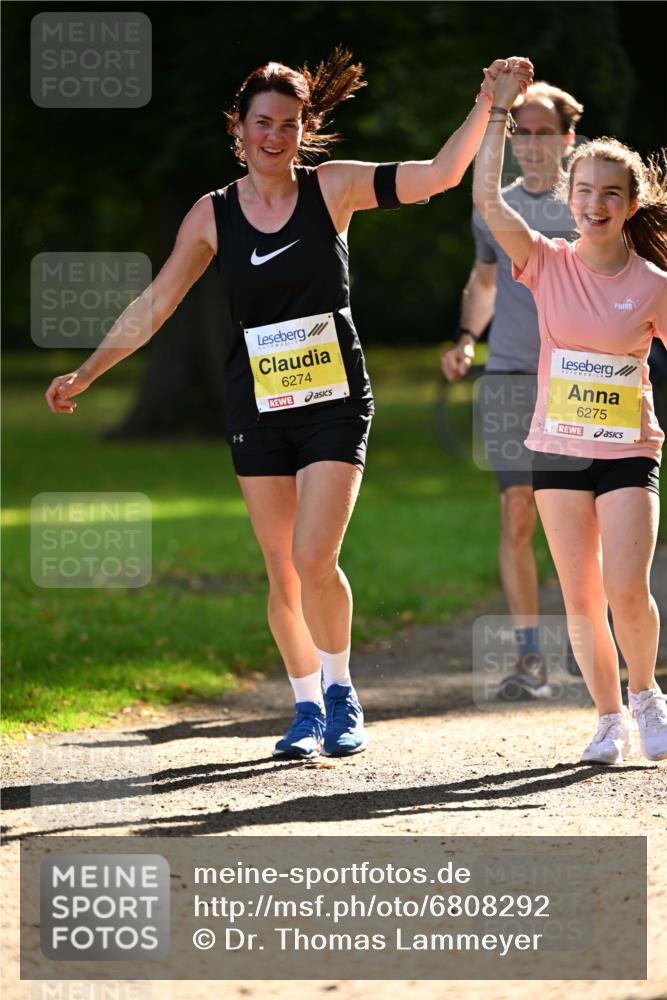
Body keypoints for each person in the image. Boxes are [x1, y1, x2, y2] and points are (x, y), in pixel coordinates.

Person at [44, 49, 532, 760]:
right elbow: (155, 304)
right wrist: (89, 371)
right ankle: (304, 706)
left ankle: (340, 691)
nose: (275, 136)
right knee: (281, 568)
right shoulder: (212, 214)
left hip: (335, 400)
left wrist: (490, 103)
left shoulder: (332, 188)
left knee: (313, 556)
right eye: (263, 123)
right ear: (238, 128)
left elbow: (439, 175)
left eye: (289, 124)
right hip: (257, 405)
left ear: (305, 130)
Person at [473, 58, 667, 763]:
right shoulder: (545, 260)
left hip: (626, 450)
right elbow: (488, 202)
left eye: (610, 193)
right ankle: (608, 719)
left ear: (630, 205)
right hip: (555, 448)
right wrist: (497, 111)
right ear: (569, 196)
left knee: (625, 587)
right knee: (580, 597)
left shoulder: (654, 284)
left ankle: (645, 695)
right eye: (584, 191)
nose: (594, 203)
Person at [441, 80, 583, 700]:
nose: (529, 142)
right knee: (516, 508)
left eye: (542, 131)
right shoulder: (491, 207)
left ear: (567, 138)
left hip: (579, 378)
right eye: (518, 131)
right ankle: (531, 657)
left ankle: (588, 636)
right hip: (508, 377)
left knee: (579, 515)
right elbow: (485, 280)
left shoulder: (591, 203)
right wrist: (466, 338)